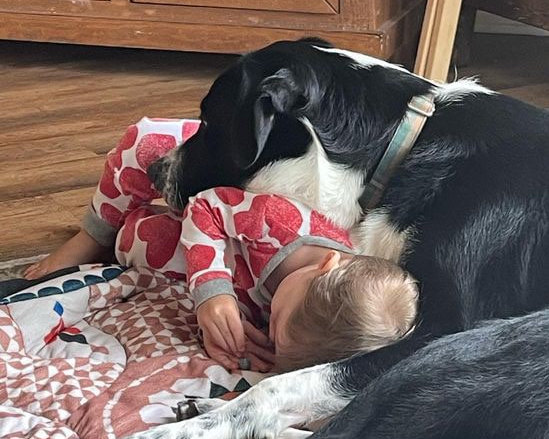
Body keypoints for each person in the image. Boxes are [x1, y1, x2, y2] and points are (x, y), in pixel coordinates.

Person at [25, 118, 418, 373]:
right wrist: (213, 293)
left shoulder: (317, 311)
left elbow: (273, 332)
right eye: (277, 319)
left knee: (134, 241)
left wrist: (233, 336)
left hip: (212, 251)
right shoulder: (287, 224)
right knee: (143, 143)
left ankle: (119, 232)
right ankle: (94, 234)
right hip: (214, 192)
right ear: (326, 264)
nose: (269, 320)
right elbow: (207, 206)